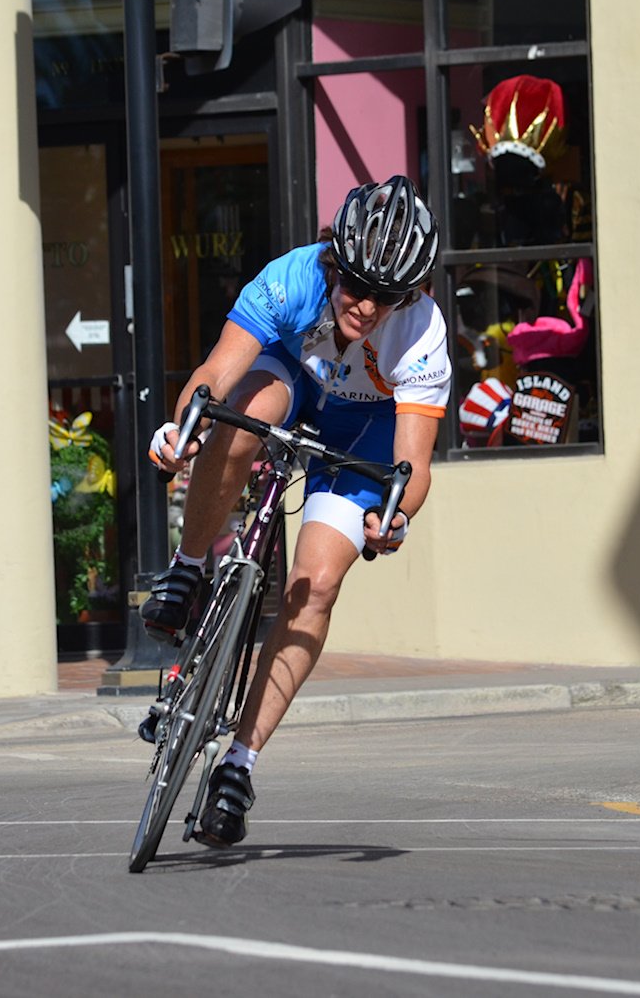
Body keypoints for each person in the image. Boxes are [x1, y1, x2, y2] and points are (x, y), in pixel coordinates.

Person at [143, 175, 449, 848]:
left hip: (359, 436)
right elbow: (215, 375)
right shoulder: (290, 279)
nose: (366, 307)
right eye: (355, 286)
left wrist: (395, 517)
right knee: (243, 415)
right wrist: (183, 430)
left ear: (413, 294)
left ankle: (238, 764)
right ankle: (191, 566)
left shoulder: (423, 333)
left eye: (386, 296)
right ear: (333, 261)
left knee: (318, 583)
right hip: (290, 382)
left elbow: (412, 464)